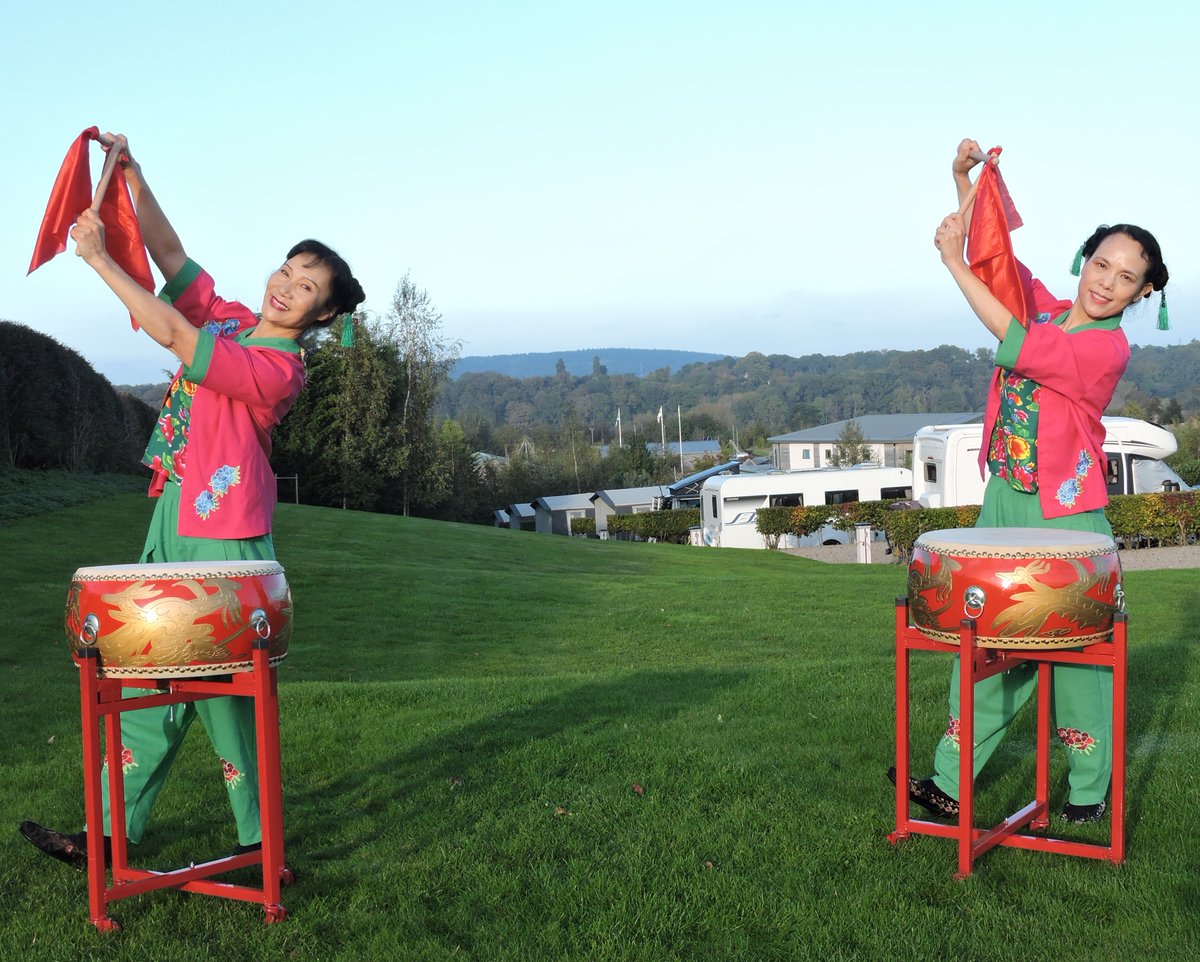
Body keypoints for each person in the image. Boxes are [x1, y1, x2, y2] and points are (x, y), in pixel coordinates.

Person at [20, 133, 365, 867]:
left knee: (229, 705)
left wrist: (100, 260)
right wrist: (136, 184)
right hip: (173, 519)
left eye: (305, 287)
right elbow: (175, 264)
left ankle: (262, 848)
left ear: (321, 315)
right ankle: (109, 836)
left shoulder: (278, 370)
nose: (286, 285)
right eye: (288, 269)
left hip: (226, 544)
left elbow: (174, 332)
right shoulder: (236, 319)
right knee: (143, 675)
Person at [896, 138, 1169, 825]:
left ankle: (1086, 790)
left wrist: (952, 266)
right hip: (1002, 503)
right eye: (1101, 263)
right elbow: (995, 261)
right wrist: (962, 182)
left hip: (1067, 517)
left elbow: (1003, 321)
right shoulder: (1048, 307)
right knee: (981, 643)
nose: (1106, 281)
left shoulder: (1105, 349)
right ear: (1085, 261)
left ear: (1144, 292)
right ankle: (948, 783)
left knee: (1078, 664)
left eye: (1126, 276)